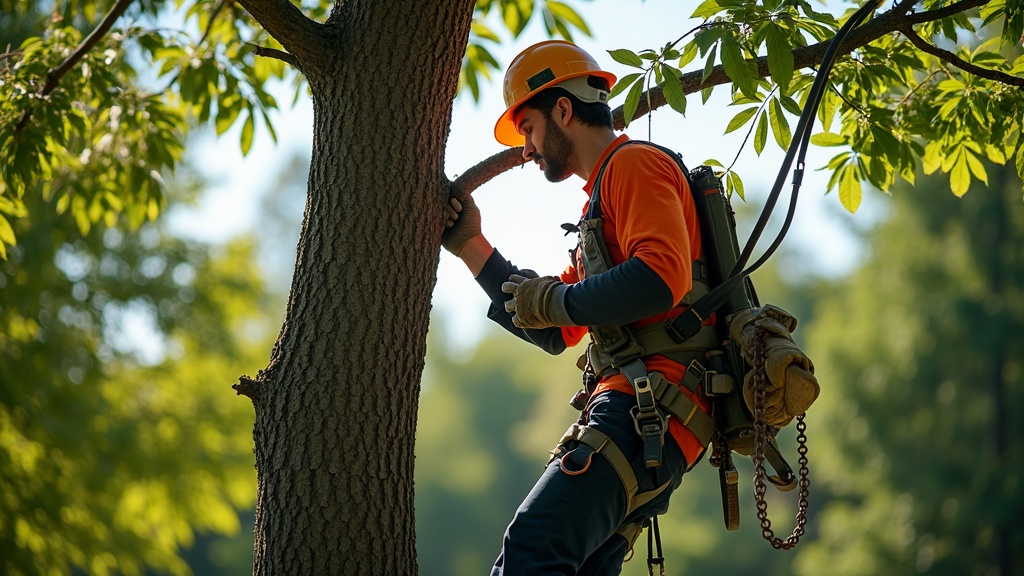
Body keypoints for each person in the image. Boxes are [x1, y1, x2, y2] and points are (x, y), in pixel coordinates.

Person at [442, 40, 712, 575]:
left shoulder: (633, 165)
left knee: (531, 550)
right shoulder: (601, 202)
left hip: (648, 405)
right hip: (652, 414)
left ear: (562, 110)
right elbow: (554, 330)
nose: (527, 149)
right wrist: (472, 246)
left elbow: (661, 279)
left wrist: (556, 302)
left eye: (528, 129)